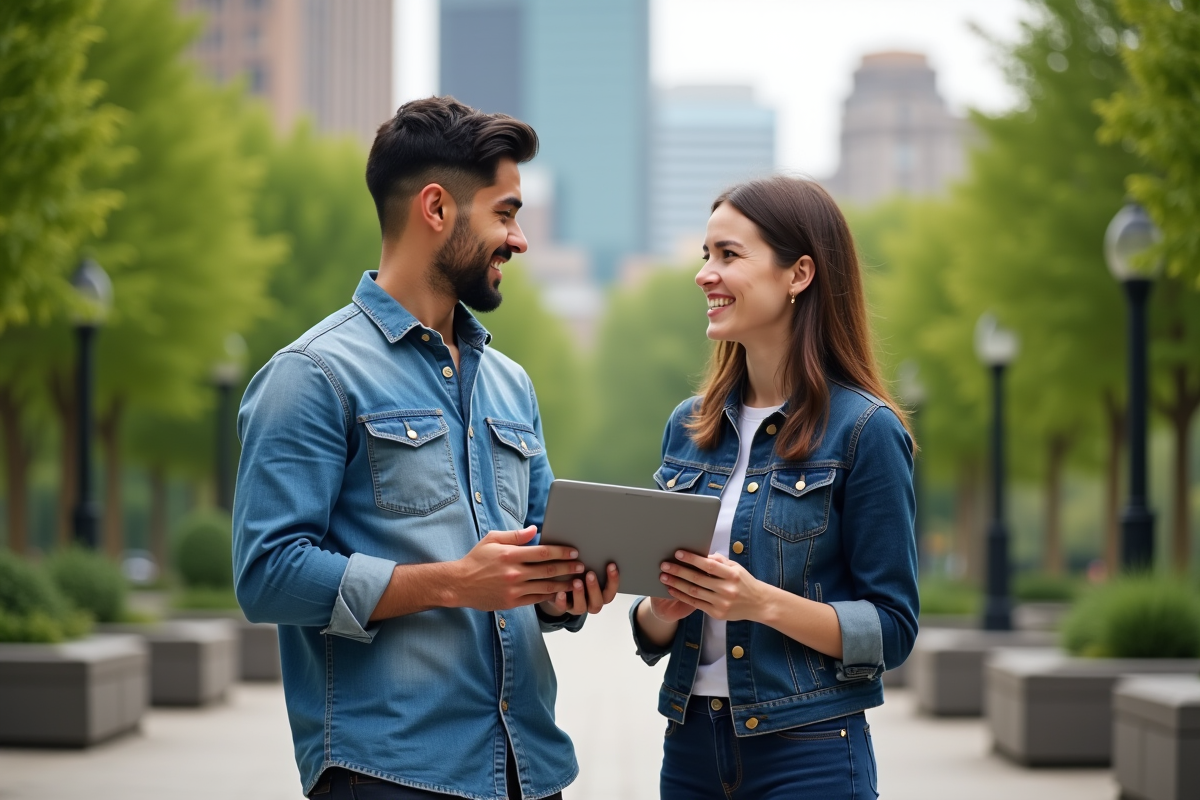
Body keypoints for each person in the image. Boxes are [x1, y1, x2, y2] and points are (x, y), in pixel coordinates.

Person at [233, 96, 620, 800]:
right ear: (437, 209)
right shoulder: (312, 375)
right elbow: (267, 574)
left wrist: (564, 594)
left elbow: (529, 560)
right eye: (505, 213)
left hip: (529, 772)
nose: (521, 239)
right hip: (389, 774)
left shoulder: (511, 384)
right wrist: (449, 582)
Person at [629, 176, 919, 799]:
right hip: (689, 746)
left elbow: (892, 628)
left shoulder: (866, 431)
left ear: (799, 274)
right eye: (706, 255)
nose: (706, 274)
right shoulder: (688, 426)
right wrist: (663, 609)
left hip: (808, 750)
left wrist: (759, 602)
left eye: (729, 255)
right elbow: (653, 625)